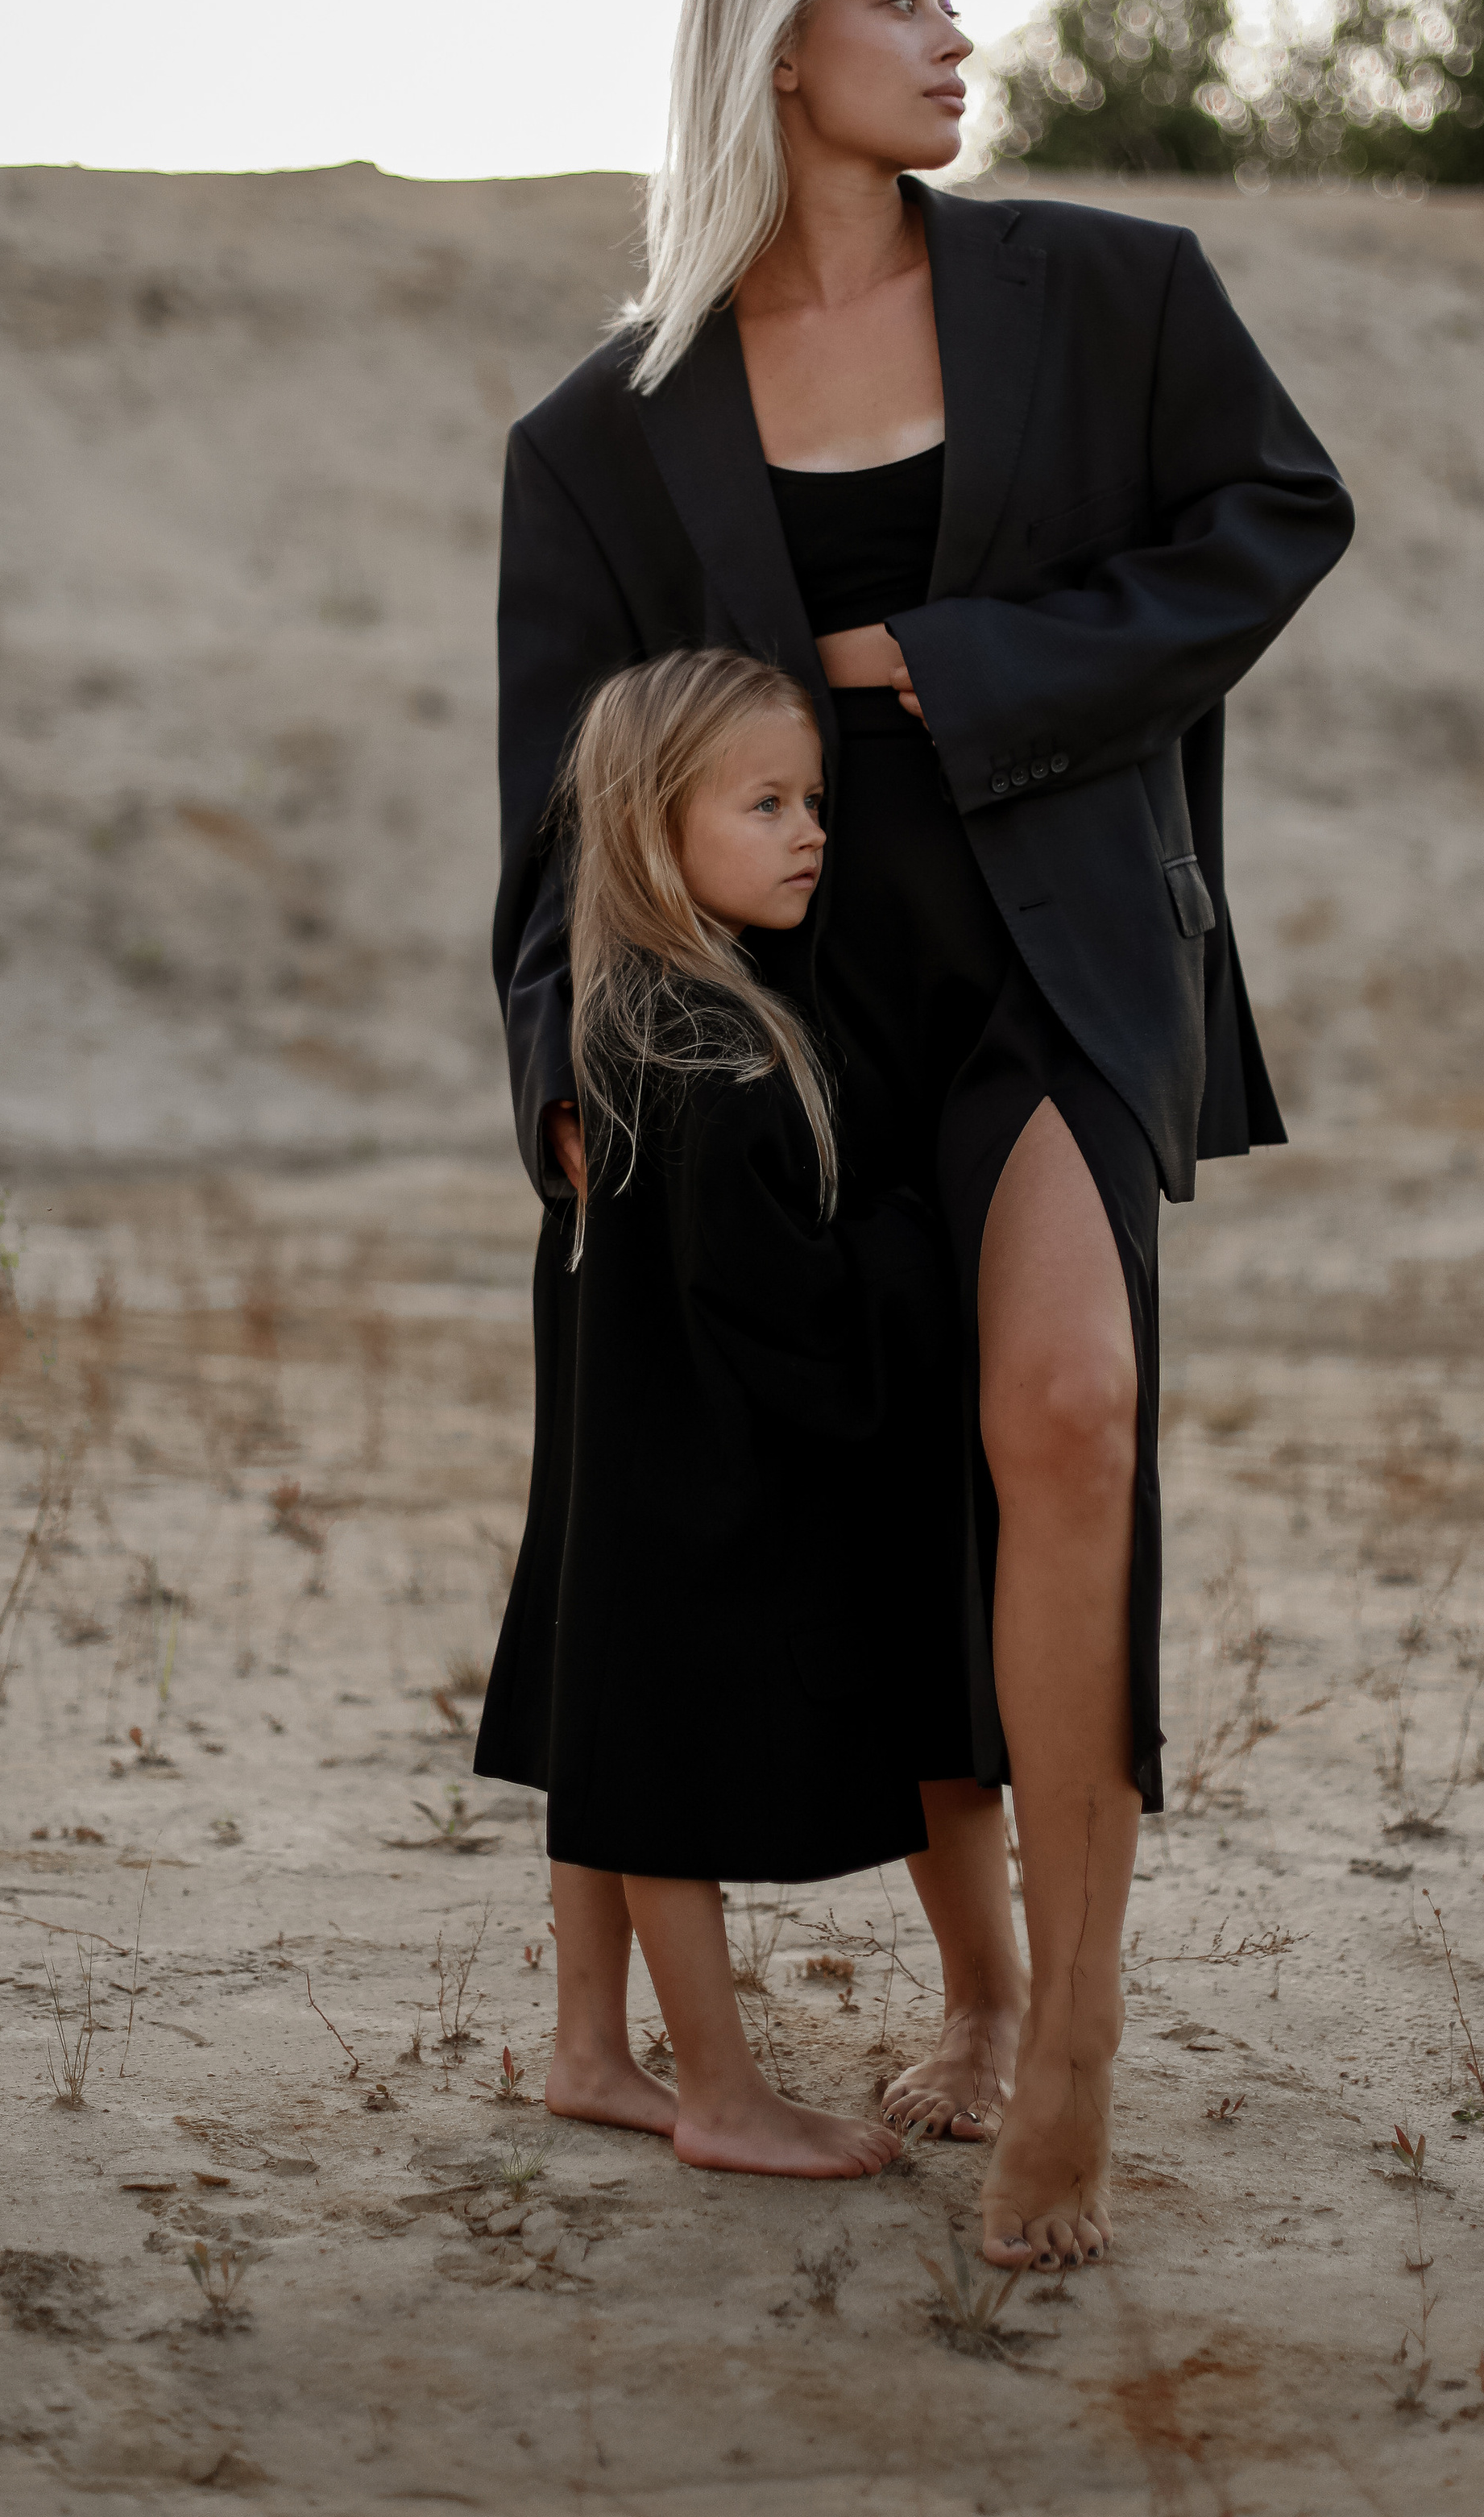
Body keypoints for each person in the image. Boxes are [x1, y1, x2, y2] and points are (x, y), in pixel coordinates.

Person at [484, 0, 1354, 2269]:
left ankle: (1069, 2035)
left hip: (1054, 978)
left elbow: (1280, 521)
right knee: (871, 1510)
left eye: (955, 3)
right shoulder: (603, 433)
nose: (955, 40)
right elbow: (556, 813)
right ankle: (968, 1991)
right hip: (768, 1043)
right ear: (781, 51)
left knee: (1066, 1416)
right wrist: (571, 1068)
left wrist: (960, 663)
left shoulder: (1114, 296)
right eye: (902, 2)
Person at [478, 645, 955, 2179]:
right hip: (690, 1492)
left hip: (615, 1478)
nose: (813, 830)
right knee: (662, 1773)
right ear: (647, 824)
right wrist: (911, 1242)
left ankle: (587, 2050)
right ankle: (722, 2095)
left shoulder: (614, 1034)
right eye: (765, 803)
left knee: (602, 1736)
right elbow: (786, 1319)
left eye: (813, 798)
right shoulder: (718, 1059)